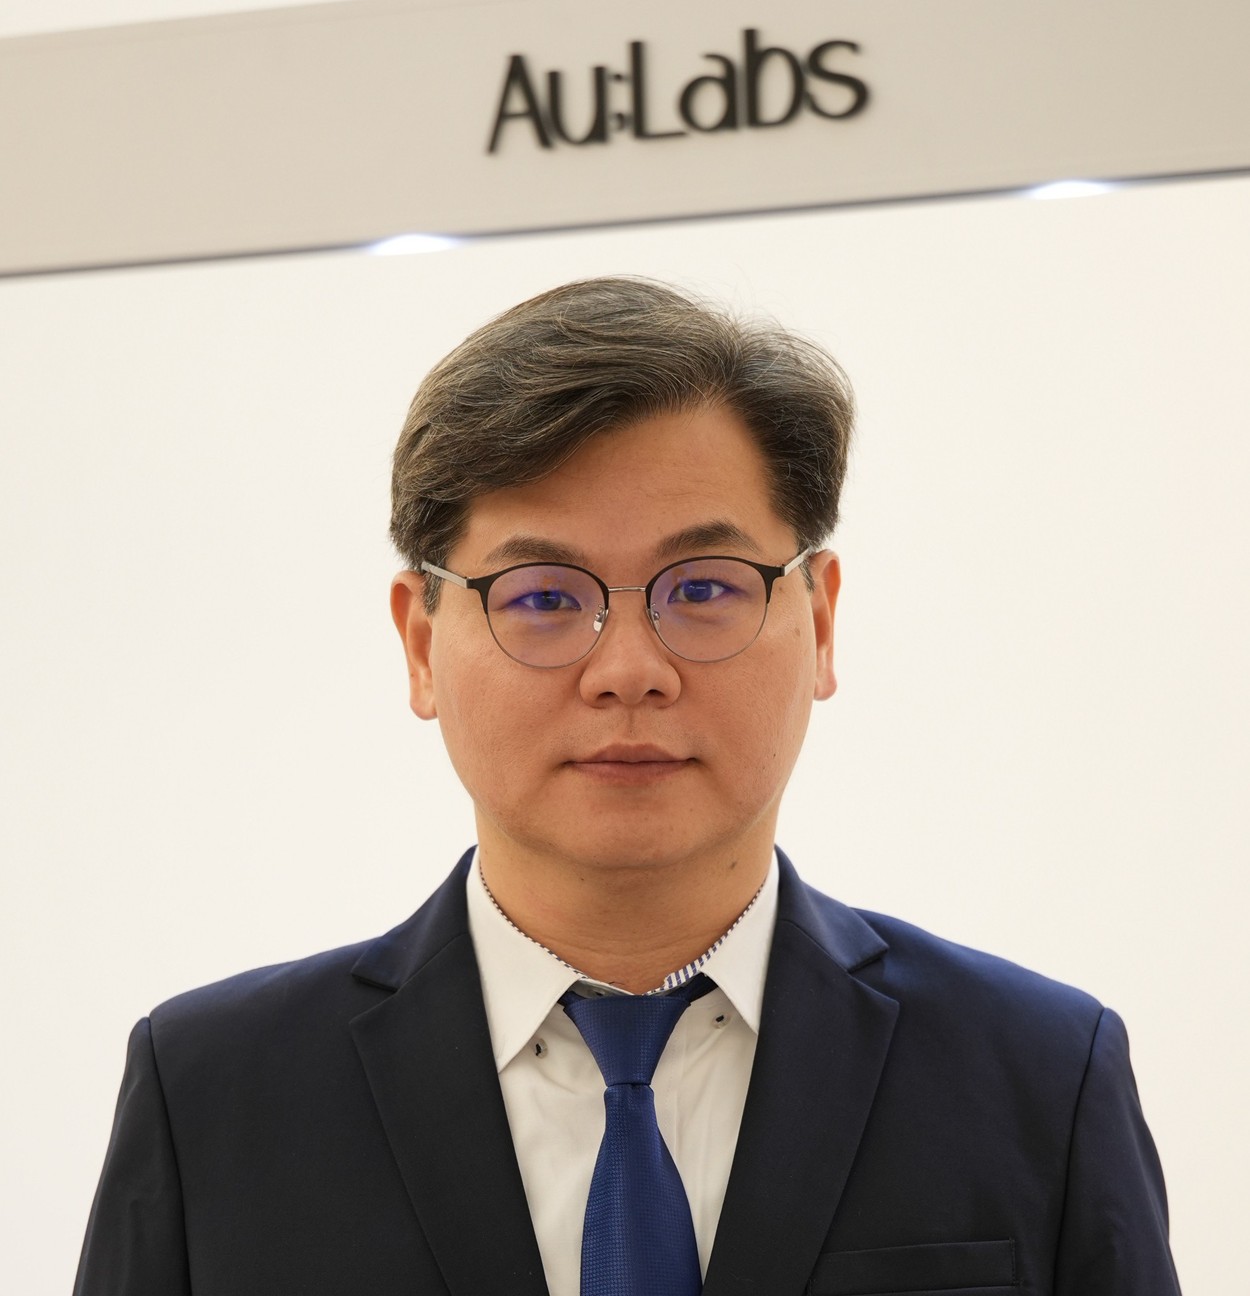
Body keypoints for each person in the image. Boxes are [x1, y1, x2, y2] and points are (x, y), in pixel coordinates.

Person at [75, 277, 1181, 1296]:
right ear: (420, 644)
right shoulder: (212, 1094)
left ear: (820, 620)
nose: (629, 671)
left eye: (701, 588)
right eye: (542, 597)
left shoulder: (1039, 1074)